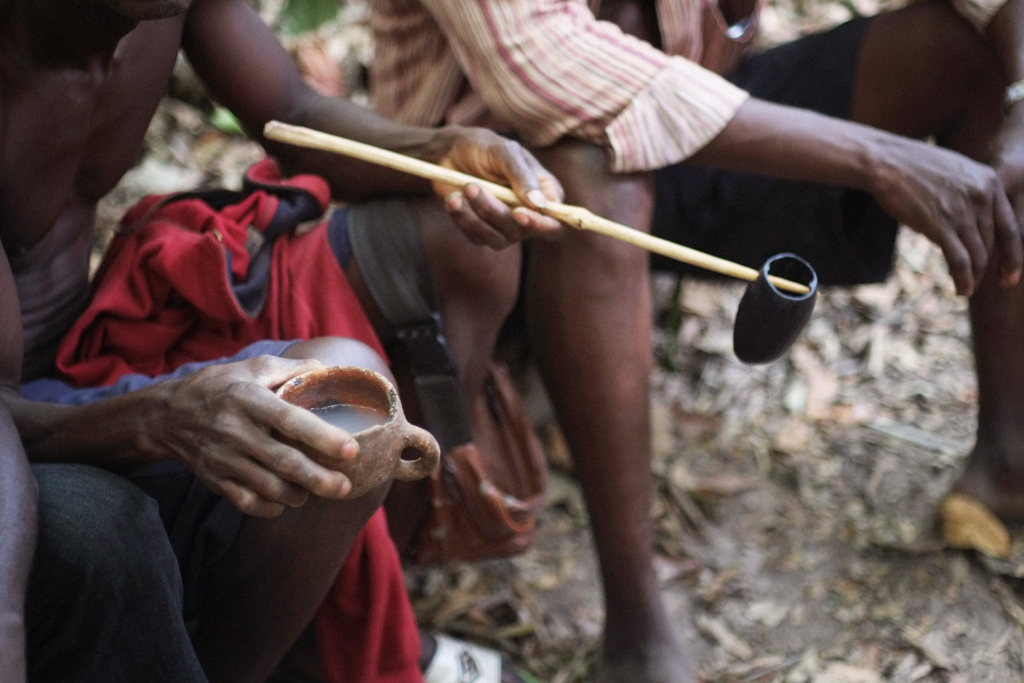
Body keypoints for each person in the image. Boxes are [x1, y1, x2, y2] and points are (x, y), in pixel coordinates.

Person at [366, 0, 1024, 680]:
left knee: (965, 48)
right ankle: (637, 630)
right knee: (589, 171)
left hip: (679, 132)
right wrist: (881, 160)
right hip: (481, 215)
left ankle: (1007, 462)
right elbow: (542, 72)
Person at [0, 1, 564, 682]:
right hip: (24, 420)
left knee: (342, 396)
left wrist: (441, 154)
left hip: (80, 352)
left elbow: (291, 108)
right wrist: (160, 416)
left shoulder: (165, 12)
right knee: (104, 529)